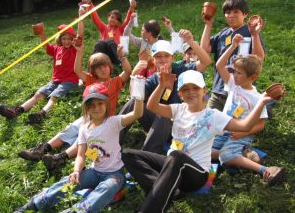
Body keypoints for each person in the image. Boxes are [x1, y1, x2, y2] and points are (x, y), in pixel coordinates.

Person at [122, 69, 283, 213]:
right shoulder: (178, 109)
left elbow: (245, 125)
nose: (190, 92)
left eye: (195, 88)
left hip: (196, 175)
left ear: (204, 90)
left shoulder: (214, 116)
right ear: (180, 94)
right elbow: (152, 106)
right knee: (128, 154)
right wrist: (162, 85)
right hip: (172, 165)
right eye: (185, 89)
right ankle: (167, 190)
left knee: (176, 156)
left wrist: (261, 102)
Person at [18, 17, 132, 170]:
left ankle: (59, 158)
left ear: (110, 67)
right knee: (70, 129)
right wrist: (79, 53)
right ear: (93, 71)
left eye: (105, 66)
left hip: (104, 120)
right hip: (89, 116)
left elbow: (128, 72)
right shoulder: (91, 80)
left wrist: (122, 57)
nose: (102, 69)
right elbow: (77, 71)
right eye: (98, 68)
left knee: (83, 138)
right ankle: (42, 149)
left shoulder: (116, 82)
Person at [14, 83, 144, 213]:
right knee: (68, 182)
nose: (96, 108)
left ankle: (77, 211)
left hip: (114, 174)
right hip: (94, 172)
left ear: (106, 104)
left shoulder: (114, 122)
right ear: (86, 108)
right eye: (92, 105)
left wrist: (138, 92)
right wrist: (77, 171)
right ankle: (35, 204)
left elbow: (137, 113)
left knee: (106, 189)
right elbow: (81, 155)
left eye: (100, 103)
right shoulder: (84, 129)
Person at [119, 30, 212, 153]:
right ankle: (110, 142)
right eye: (158, 56)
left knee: (165, 115)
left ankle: (146, 155)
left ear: (172, 58)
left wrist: (190, 42)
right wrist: (134, 76)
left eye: (166, 55)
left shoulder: (182, 69)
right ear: (153, 59)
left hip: (180, 124)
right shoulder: (153, 79)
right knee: (133, 103)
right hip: (158, 124)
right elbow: (135, 98)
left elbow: (206, 62)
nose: (163, 59)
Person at [211, 34, 284, 182]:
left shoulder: (257, 98)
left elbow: (260, 125)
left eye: (239, 73)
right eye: (234, 72)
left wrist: (243, 134)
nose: (235, 75)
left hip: (242, 133)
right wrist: (232, 46)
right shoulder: (232, 83)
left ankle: (265, 170)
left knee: (225, 156)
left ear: (253, 77)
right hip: (224, 128)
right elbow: (219, 65)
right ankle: (241, 156)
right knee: (205, 149)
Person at [0, 23, 82, 124]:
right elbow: (45, 44)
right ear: (60, 39)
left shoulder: (74, 49)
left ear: (73, 39)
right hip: (55, 80)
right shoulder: (57, 49)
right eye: (64, 39)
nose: (67, 41)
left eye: (69, 39)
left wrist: (81, 16)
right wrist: (42, 33)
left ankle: (42, 114)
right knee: (38, 94)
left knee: (54, 96)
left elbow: (80, 35)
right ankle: (16, 111)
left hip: (69, 81)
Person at [200, 0, 265, 111]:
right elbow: (204, 49)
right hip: (219, 92)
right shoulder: (223, 33)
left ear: (245, 14)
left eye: (236, 12)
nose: (231, 15)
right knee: (209, 125)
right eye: (228, 12)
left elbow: (258, 58)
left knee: (235, 127)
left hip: (241, 92)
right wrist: (208, 24)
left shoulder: (250, 31)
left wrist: (255, 35)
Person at [80, 0, 137, 65]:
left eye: (116, 19)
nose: (113, 20)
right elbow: (95, 17)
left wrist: (131, 8)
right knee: (100, 43)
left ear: (119, 22)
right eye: (112, 17)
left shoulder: (121, 28)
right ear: (108, 18)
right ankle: (93, 63)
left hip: (116, 55)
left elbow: (127, 19)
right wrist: (90, 3)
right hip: (104, 55)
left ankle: (119, 63)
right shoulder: (104, 28)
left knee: (111, 42)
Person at [123, 13, 162, 78]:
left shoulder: (161, 44)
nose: (141, 32)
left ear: (149, 33)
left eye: (142, 30)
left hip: (155, 71)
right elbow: (126, 35)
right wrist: (131, 23)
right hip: (142, 69)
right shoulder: (143, 42)